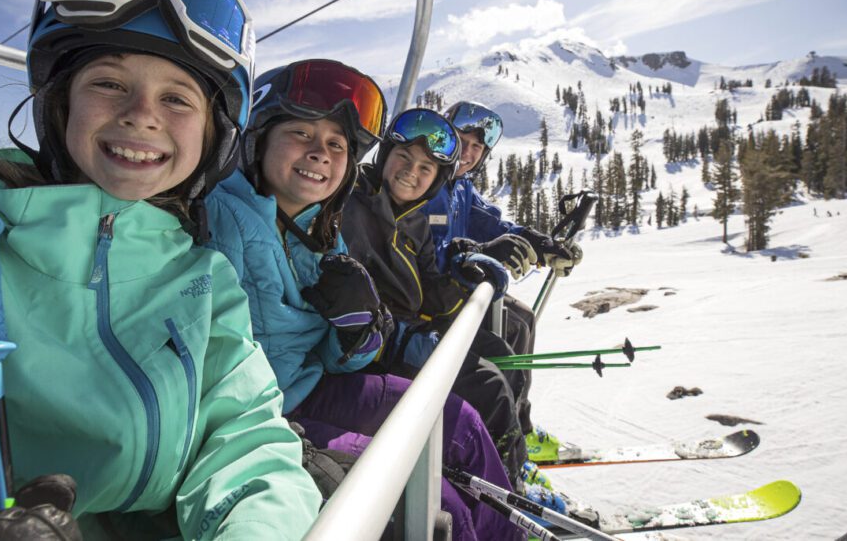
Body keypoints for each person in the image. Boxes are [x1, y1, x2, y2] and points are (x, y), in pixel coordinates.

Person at [0, 0, 319, 541]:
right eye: (109, 84)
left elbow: (246, 435)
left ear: (213, 136)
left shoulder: (202, 279)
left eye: (176, 98)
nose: (142, 114)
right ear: (59, 105)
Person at [203, 60, 523, 541]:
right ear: (259, 138)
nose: (320, 154)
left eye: (336, 145)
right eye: (302, 134)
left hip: (313, 383)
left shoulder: (320, 227)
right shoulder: (224, 217)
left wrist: (357, 332)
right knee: (436, 498)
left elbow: (346, 349)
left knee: (463, 424)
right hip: (272, 409)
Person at [340, 108, 534, 498]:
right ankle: (506, 495)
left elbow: (428, 287)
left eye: (426, 168)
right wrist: (400, 337)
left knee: (500, 354)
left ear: (437, 178)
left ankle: (515, 464)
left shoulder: (412, 216)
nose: (412, 172)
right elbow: (354, 291)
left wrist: (464, 278)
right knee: (489, 385)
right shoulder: (352, 204)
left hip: (408, 331)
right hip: (374, 347)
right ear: (385, 155)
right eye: (403, 158)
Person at [422, 101, 582, 465]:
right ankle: (504, 442)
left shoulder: (461, 188)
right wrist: (477, 252)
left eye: (478, 148)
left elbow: (494, 225)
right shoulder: (427, 183)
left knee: (521, 319)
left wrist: (540, 244)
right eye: (463, 141)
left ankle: (520, 427)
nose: (469, 153)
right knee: (502, 348)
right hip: (434, 300)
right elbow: (426, 252)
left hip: (459, 289)